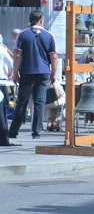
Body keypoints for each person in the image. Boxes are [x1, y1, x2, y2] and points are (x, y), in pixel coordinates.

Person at [9, 10, 57, 140]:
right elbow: (54, 57)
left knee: (22, 102)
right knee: (39, 102)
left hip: (27, 71)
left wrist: (15, 73)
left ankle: (13, 131)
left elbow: (17, 55)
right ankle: (36, 132)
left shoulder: (22, 35)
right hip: (44, 72)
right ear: (41, 20)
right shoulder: (49, 35)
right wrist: (54, 74)